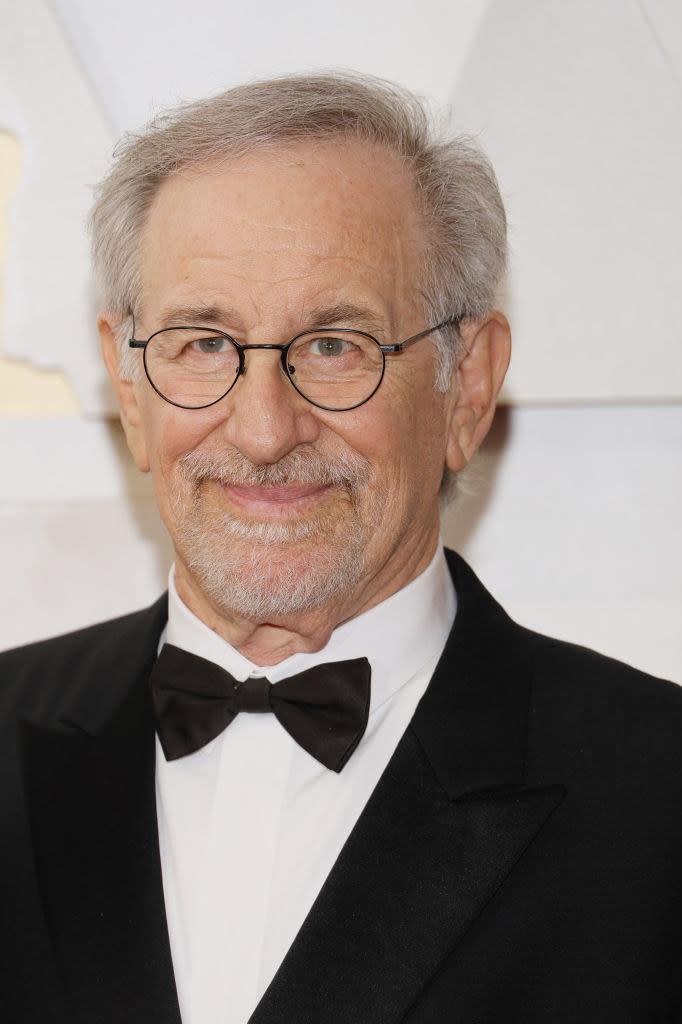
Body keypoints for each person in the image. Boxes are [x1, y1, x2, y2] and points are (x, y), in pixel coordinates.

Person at [1, 72, 681, 1024]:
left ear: (469, 388)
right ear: (128, 385)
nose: (266, 430)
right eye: (203, 343)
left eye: (334, 345)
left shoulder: (658, 799)